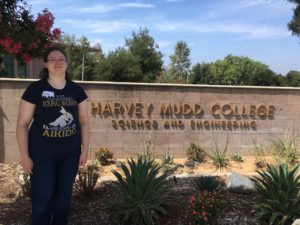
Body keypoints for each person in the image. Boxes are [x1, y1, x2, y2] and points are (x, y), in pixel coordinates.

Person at [16, 46, 89, 225]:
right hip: (41, 156)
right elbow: (22, 124)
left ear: (67, 64)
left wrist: (85, 150)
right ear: (46, 64)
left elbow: (84, 121)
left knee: (63, 199)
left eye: (61, 59)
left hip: (70, 155)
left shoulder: (76, 90)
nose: (57, 62)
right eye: (52, 59)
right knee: (42, 200)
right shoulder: (35, 89)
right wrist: (25, 156)